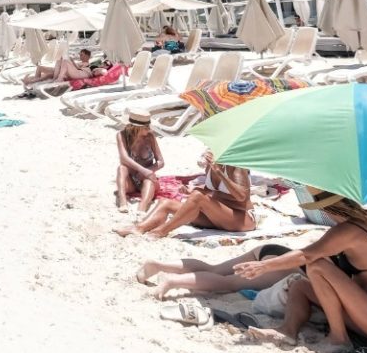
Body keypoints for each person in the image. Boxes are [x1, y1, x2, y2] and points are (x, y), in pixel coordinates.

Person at [237, 192, 367, 351]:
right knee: (300, 286)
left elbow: (306, 255)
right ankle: (288, 331)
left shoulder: (348, 230)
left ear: (325, 208)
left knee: (317, 265)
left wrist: (264, 266)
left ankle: (339, 338)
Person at [115, 152, 253, 238]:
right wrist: (191, 191)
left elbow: (242, 196)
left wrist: (220, 174)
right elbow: (212, 190)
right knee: (165, 203)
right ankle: (139, 228)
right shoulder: (211, 166)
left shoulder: (237, 167)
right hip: (216, 216)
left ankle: (162, 231)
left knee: (198, 196)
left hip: (240, 218)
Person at [136, 243, 297, 300]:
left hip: (276, 250)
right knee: (229, 283)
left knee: (214, 269)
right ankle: (173, 282)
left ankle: (158, 265)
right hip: (285, 265)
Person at [115, 109, 164, 212]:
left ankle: (142, 208)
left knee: (149, 180)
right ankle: (123, 202)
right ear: (136, 128)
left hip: (145, 179)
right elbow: (124, 158)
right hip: (131, 180)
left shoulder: (150, 136)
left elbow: (161, 161)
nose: (149, 129)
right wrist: (143, 170)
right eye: (146, 127)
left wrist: (148, 171)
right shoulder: (122, 135)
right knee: (122, 168)